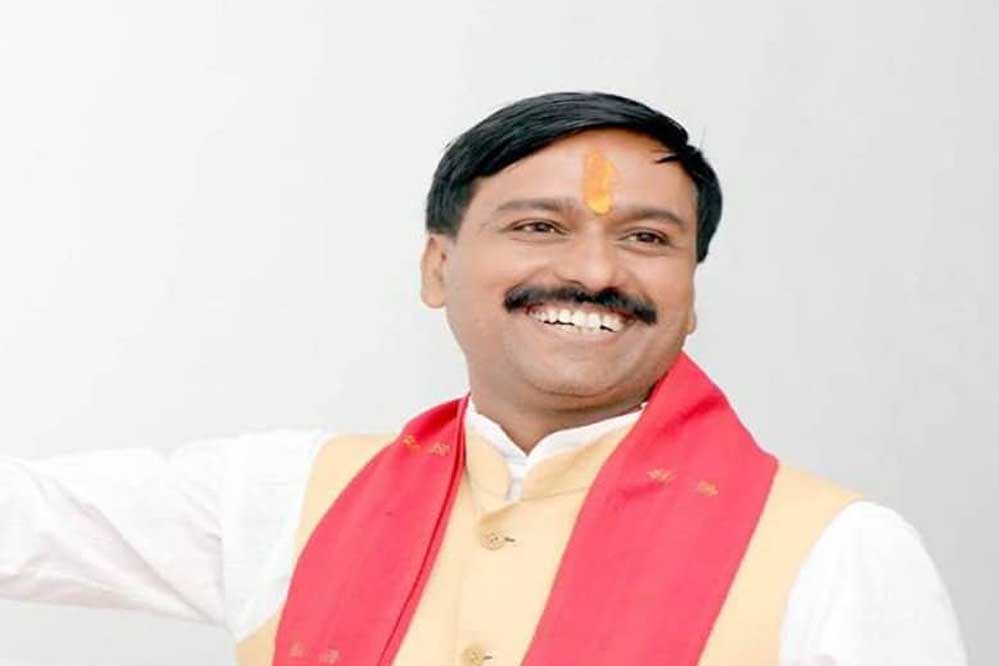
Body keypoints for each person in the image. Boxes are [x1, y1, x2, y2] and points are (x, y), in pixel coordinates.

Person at [1, 92, 966, 666]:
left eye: (646, 238)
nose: (594, 271)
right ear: (437, 268)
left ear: (690, 292)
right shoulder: (290, 499)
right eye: (539, 227)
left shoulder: (836, 551)